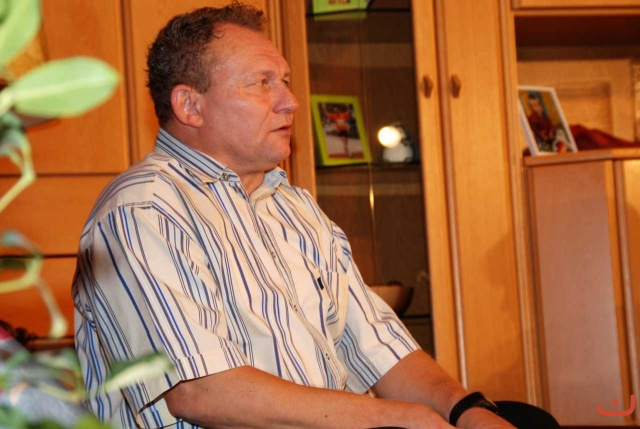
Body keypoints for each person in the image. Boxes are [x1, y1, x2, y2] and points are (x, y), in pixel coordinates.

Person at [72, 3, 515, 428]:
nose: (291, 101)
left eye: (284, 80)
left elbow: (380, 348)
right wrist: (393, 417)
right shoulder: (142, 210)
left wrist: (468, 411)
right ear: (190, 106)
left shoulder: (295, 207)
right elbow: (199, 390)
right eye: (261, 83)